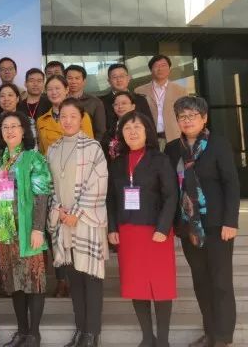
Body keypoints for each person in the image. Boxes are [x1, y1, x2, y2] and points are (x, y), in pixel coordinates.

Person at [164, 96, 240, 347]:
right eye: (182, 116)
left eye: (192, 115)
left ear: (204, 118)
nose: (187, 120)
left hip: (217, 225)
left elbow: (231, 184)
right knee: (201, 282)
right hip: (189, 227)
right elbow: (170, 188)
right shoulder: (172, 149)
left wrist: (231, 221)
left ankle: (223, 337)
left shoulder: (218, 144)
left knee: (220, 282)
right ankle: (210, 333)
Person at [107, 111, 178, 347]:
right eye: (127, 128)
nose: (132, 132)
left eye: (137, 127)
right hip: (128, 232)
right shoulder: (117, 163)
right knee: (136, 285)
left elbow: (171, 196)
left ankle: (163, 340)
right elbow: (111, 198)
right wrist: (112, 227)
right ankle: (147, 337)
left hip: (156, 231)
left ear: (147, 131)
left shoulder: (160, 159)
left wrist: (163, 227)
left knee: (161, 285)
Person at [47, 98, 109, 347]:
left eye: (73, 116)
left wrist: (77, 213)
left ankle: (92, 333)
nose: (68, 121)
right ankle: (80, 330)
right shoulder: (53, 149)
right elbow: (50, 184)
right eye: (63, 116)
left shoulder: (93, 147)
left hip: (87, 221)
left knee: (90, 278)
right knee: (73, 279)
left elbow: (99, 183)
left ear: (82, 118)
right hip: (64, 221)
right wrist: (58, 209)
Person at [0, 111, 52, 347]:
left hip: (28, 230)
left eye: (14, 126)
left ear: (24, 130)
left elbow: (42, 194)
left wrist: (38, 228)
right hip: (6, 232)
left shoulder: (33, 157)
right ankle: (22, 331)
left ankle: (34, 334)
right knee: (14, 282)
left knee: (33, 281)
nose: (9, 131)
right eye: (5, 127)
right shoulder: (2, 159)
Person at [134, 55, 188, 147]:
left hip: (175, 137)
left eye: (163, 65)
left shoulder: (181, 91)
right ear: (151, 70)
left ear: (169, 69)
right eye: (156, 66)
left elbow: (185, 115)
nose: (160, 69)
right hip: (148, 139)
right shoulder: (139, 91)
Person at [37, 75, 93, 156]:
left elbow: (90, 147)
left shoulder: (82, 116)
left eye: (57, 88)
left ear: (66, 90)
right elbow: (42, 151)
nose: (54, 92)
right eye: (49, 89)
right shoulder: (41, 120)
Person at [99, 63, 153, 131]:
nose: (119, 80)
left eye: (122, 76)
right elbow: (100, 130)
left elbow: (150, 125)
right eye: (114, 77)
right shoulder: (101, 102)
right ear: (109, 81)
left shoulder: (140, 99)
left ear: (128, 78)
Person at [65, 65, 107, 141]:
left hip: (88, 145)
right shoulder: (60, 101)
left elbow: (100, 132)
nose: (73, 81)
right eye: (70, 78)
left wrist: (93, 146)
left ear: (84, 81)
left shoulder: (95, 102)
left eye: (77, 78)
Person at [100, 91, 136, 163]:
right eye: (116, 104)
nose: (120, 107)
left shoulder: (142, 125)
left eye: (124, 103)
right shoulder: (109, 130)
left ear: (133, 106)